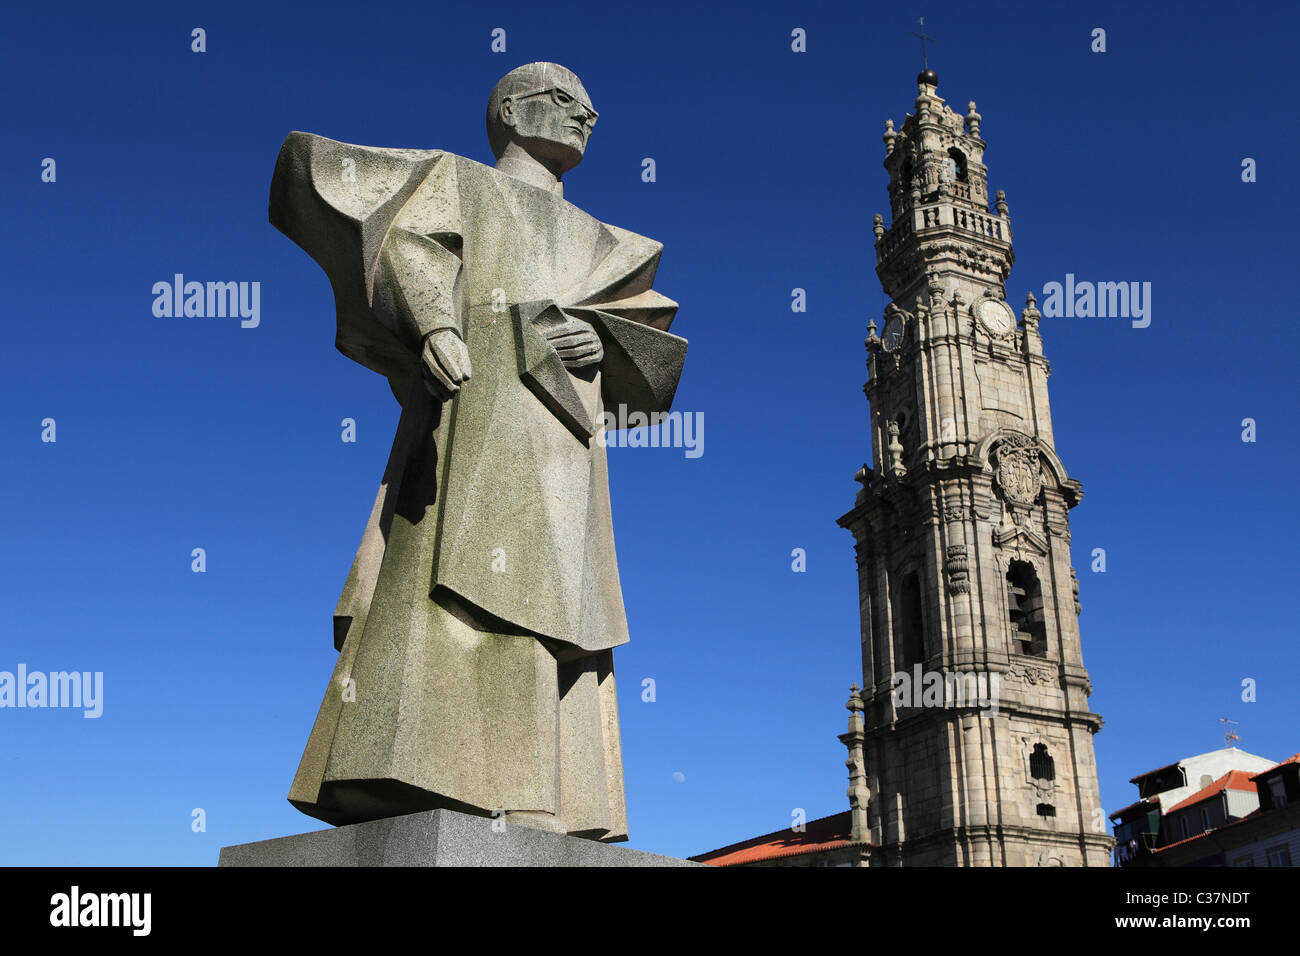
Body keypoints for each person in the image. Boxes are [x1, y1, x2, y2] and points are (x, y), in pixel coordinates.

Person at [268, 62, 687, 842]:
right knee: (450, 577)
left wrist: (593, 339)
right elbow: (404, 245)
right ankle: (436, 772)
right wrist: (432, 323)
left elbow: (647, 354)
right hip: (475, 418)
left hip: (562, 447)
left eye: (593, 108)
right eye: (566, 101)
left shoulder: (604, 240)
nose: (587, 117)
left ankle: (551, 799)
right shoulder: (458, 180)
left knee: (561, 604)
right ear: (510, 108)